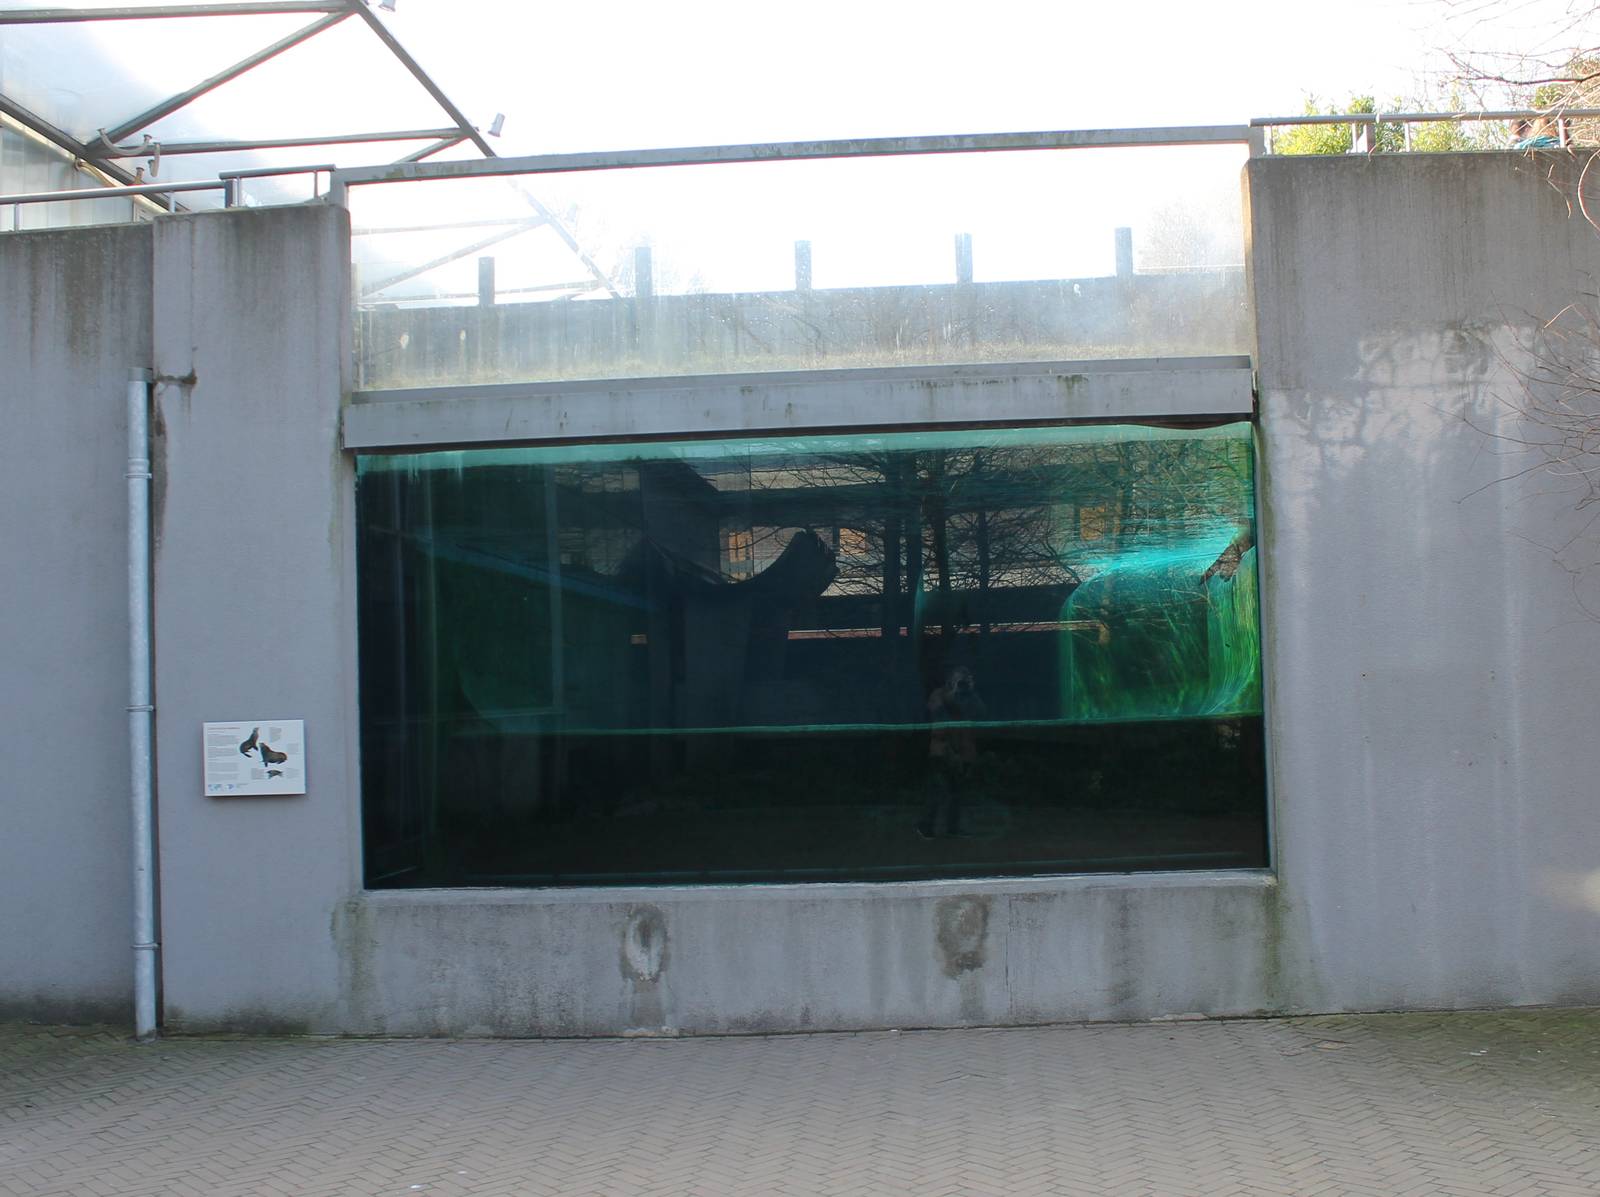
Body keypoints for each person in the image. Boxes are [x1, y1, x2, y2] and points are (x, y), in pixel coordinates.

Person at [917, 665, 985, 838]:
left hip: (964, 751)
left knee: (957, 791)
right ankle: (926, 827)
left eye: (965, 678)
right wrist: (951, 695)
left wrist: (971, 692)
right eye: (959, 678)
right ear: (951, 679)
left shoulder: (971, 697)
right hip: (942, 750)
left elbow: (981, 713)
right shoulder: (939, 694)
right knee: (938, 789)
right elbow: (934, 713)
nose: (962, 682)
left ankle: (952, 828)